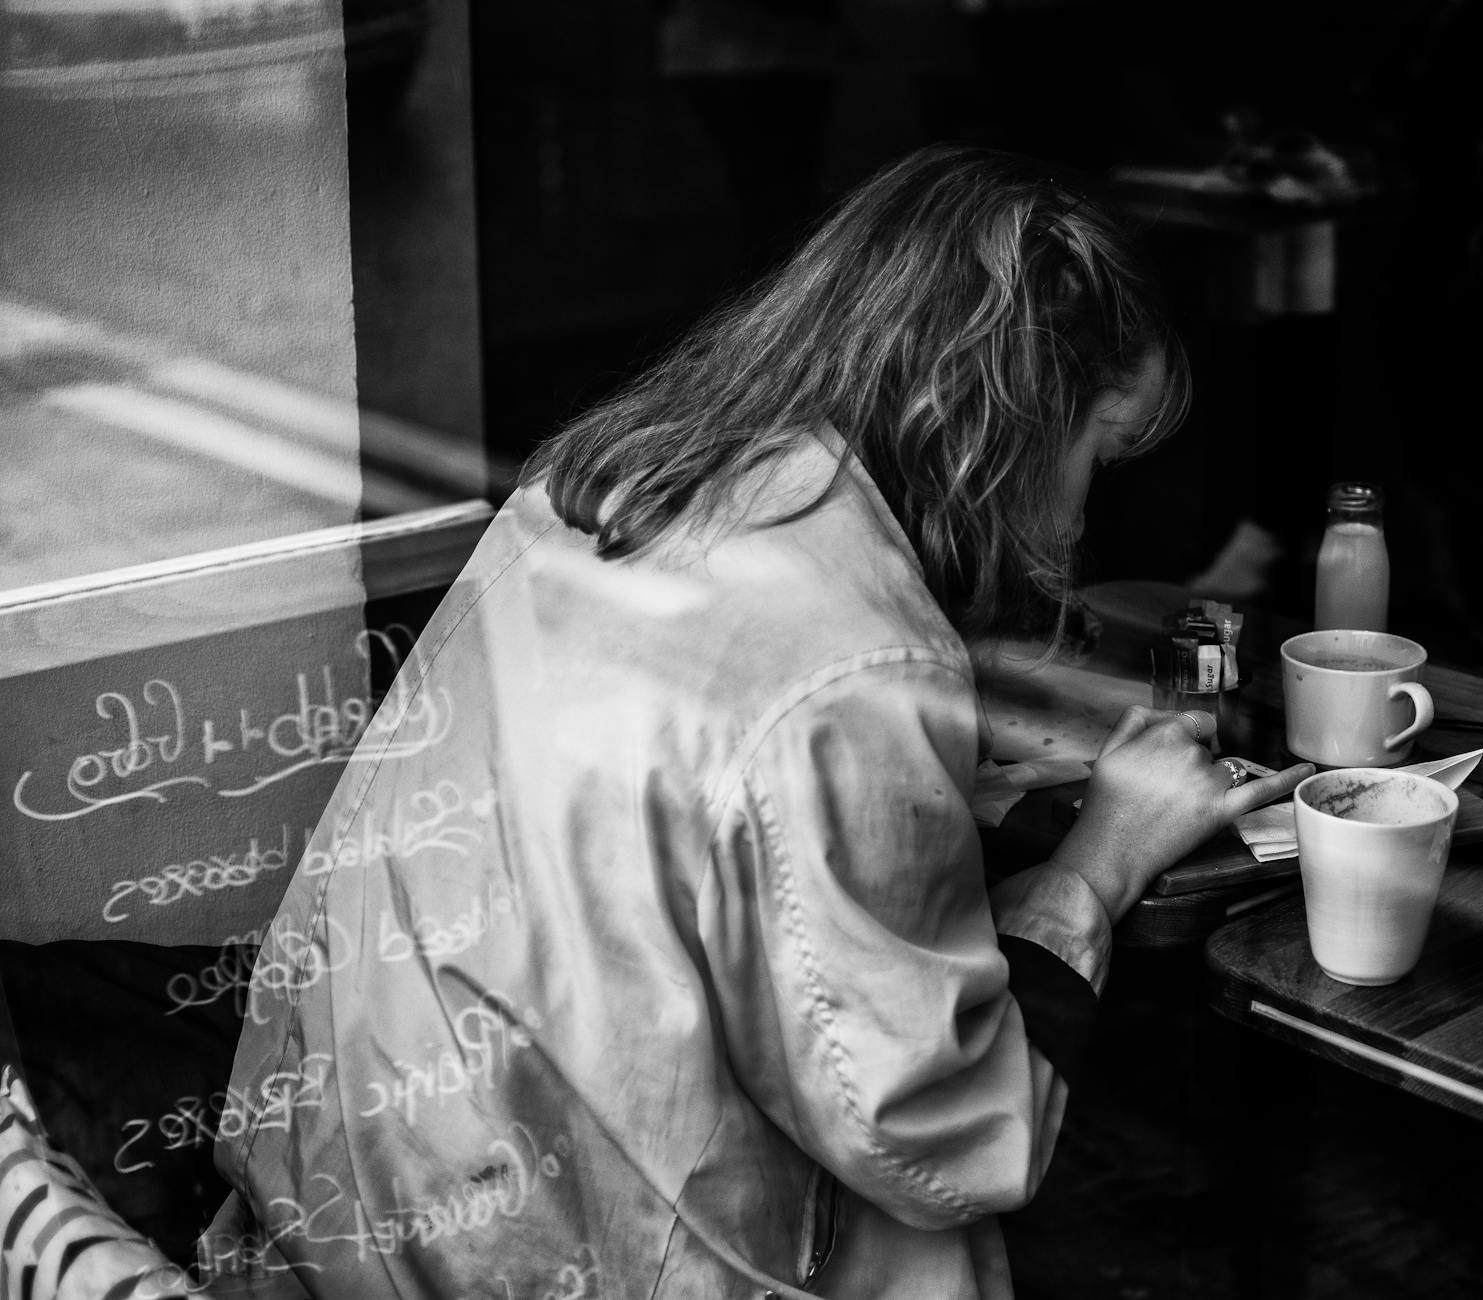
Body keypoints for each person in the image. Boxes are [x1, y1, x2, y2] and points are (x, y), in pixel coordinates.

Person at [206, 144, 1310, 1298]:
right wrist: (1101, 859)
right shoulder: (852, 662)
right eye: (1096, 450)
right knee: (939, 1253)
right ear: (1000, 424)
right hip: (535, 1247)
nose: (1086, 514)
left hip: (349, 1183)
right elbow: (934, 1141)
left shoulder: (611, 477)